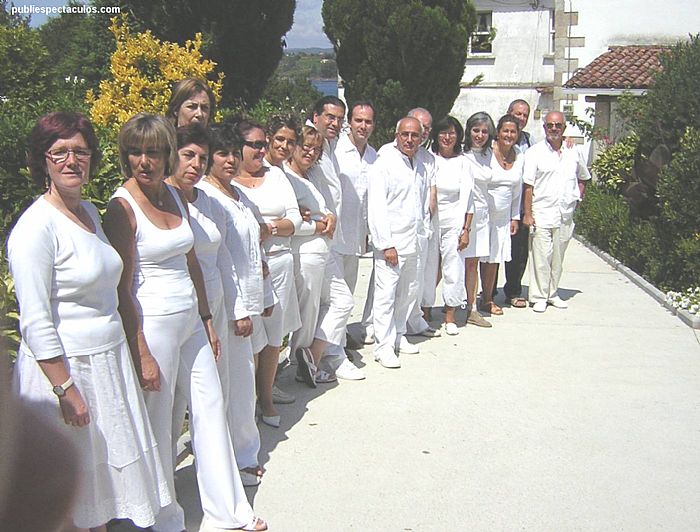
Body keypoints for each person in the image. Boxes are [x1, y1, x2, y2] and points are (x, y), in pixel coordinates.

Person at [8, 112, 170, 531]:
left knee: (99, 493)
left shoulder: (89, 215)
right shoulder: (35, 230)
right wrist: (65, 389)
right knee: (71, 495)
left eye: (80, 152)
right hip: (69, 373)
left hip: (107, 364)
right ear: (42, 160)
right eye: (59, 152)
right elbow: (36, 320)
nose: (71, 161)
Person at [104, 114, 265, 531]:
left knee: (211, 408)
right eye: (136, 152)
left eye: (154, 152)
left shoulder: (174, 197)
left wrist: (208, 320)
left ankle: (227, 513)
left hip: (191, 320)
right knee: (162, 421)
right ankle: (161, 516)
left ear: (166, 155)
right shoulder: (121, 207)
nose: (145, 161)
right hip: (152, 324)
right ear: (126, 157)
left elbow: (191, 260)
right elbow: (121, 288)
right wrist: (139, 349)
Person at [167, 124, 265, 488]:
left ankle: (236, 459)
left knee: (230, 386)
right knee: (182, 402)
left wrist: (240, 307)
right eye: (190, 155)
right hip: (182, 310)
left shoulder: (210, 202)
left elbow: (226, 257)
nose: (198, 163)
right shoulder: (164, 198)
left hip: (219, 307)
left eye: (204, 156)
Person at [198, 124, 277, 456]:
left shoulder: (238, 194)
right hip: (230, 307)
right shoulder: (207, 197)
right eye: (222, 153)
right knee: (230, 382)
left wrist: (267, 293)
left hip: (250, 299)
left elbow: (255, 246)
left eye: (234, 152)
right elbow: (220, 261)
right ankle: (234, 454)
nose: (230, 160)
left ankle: (242, 448)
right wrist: (238, 309)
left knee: (244, 380)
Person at [232, 118, 302, 426]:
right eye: (255, 145)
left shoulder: (276, 176)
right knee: (248, 339)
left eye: (264, 144)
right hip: (242, 269)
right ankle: (246, 403)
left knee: (273, 337)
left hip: (278, 261)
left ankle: (267, 398)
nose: (262, 151)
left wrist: (270, 227)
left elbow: (295, 220)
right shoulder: (225, 178)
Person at [285, 126, 353, 387]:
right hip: (305, 254)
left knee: (342, 302)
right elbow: (291, 219)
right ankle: (298, 364)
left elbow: (323, 208)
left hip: (325, 252)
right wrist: (317, 223)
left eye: (317, 150)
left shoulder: (311, 176)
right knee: (308, 311)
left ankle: (310, 356)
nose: (311, 153)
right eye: (306, 147)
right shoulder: (286, 178)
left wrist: (330, 217)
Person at [368, 117, 432, 368]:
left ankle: (398, 335)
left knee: (408, 292)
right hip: (392, 244)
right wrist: (386, 244)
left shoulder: (421, 165)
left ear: (421, 138)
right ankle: (382, 347)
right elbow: (376, 207)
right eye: (405, 134)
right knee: (385, 296)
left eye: (414, 135)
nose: (409, 140)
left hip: (414, 241)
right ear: (396, 135)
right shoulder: (384, 164)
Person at [307, 96, 361, 379]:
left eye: (340, 118)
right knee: (340, 300)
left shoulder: (329, 145)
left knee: (323, 304)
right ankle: (317, 359)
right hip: (313, 238)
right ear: (315, 116)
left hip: (329, 239)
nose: (336, 123)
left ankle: (320, 357)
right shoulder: (309, 144)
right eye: (330, 116)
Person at [522, 110, 591, 313]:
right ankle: (538, 296)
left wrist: (578, 196)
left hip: (565, 214)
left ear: (564, 128)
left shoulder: (573, 151)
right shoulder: (534, 153)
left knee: (558, 258)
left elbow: (583, 177)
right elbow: (528, 186)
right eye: (550, 125)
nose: (554, 129)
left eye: (558, 125)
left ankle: (552, 293)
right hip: (542, 211)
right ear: (544, 128)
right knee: (541, 257)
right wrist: (528, 214)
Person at [333, 100, 377, 360]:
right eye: (358, 120)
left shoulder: (373, 156)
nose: (363, 126)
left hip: (357, 237)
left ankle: (339, 337)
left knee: (348, 292)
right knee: (335, 297)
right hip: (335, 237)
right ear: (350, 121)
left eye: (368, 121)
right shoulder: (336, 151)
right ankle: (330, 346)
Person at [429, 116, 474, 335]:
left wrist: (466, 230)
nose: (447, 137)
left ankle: (450, 316)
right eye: (443, 133)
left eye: (452, 133)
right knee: (427, 269)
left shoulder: (464, 162)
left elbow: (469, 200)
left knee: (453, 268)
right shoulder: (428, 159)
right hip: (430, 222)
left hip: (454, 222)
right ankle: (424, 312)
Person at [479, 115, 524, 315]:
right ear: (498, 132)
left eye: (513, 131)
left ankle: (487, 299)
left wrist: (515, 217)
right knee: (475, 260)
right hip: (482, 215)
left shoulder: (520, 155)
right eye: (505, 131)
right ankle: (464, 300)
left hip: (502, 219)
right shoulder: (487, 153)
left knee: (494, 260)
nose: (509, 135)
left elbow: (518, 191)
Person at [404, 107, 441, 338]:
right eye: (420, 126)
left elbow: (432, 190)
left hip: (422, 228)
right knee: (394, 287)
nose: (424, 132)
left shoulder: (428, 158)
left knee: (417, 281)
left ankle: (414, 320)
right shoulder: (390, 155)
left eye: (427, 128)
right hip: (400, 231)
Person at [463, 112, 496, 328]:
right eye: (476, 130)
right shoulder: (461, 154)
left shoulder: (491, 155)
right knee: (443, 263)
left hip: (483, 216)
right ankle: (425, 308)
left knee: (473, 264)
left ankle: (471, 308)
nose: (480, 135)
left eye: (484, 131)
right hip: (464, 215)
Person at [503, 99, 533, 307]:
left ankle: (513, 290)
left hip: (521, 205)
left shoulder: (531, 142)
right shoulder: (497, 139)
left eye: (524, 115)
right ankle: (486, 294)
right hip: (499, 207)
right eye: (518, 113)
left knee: (518, 252)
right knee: (493, 254)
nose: (521, 118)